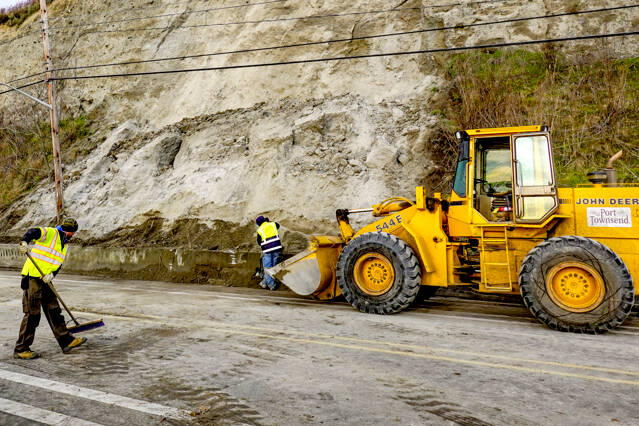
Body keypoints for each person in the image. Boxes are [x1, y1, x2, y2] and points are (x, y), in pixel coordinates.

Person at [14, 217, 87, 360]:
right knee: (32, 314)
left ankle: (67, 341)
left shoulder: (64, 245)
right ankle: (21, 349)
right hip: (33, 277)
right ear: (66, 231)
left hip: (45, 279)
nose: (71, 235)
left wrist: (52, 275)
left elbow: (57, 264)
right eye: (70, 233)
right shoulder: (50, 233)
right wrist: (24, 242)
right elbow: (33, 232)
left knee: (54, 310)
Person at [255, 215, 283, 290]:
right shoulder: (273, 224)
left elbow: (259, 242)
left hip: (267, 250)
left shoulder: (260, 230)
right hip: (277, 249)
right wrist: (268, 221)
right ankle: (264, 283)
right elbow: (278, 225)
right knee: (272, 268)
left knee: (267, 268)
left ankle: (272, 285)